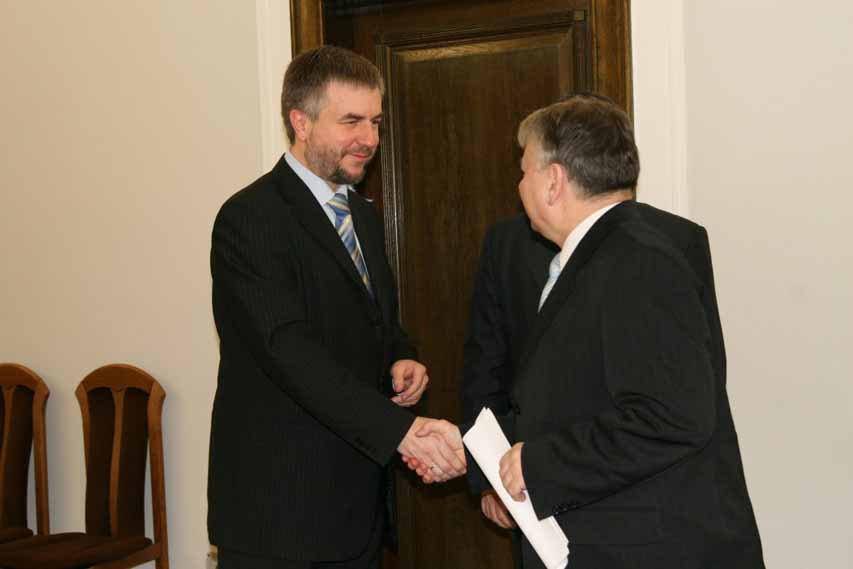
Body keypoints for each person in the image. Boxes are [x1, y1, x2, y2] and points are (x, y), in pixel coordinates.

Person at [411, 95, 765, 568]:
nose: (519, 185)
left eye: (524, 171)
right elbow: (579, 403)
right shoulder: (600, 256)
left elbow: (673, 416)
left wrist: (540, 465)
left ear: (553, 181)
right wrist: (468, 447)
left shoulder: (639, 261)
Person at [208, 45, 464, 569]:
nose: (369, 139)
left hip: (357, 510)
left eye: (375, 122)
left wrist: (401, 355)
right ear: (300, 122)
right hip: (280, 516)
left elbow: (374, 320)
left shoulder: (362, 216)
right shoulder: (249, 218)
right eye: (351, 121)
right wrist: (403, 433)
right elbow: (288, 351)